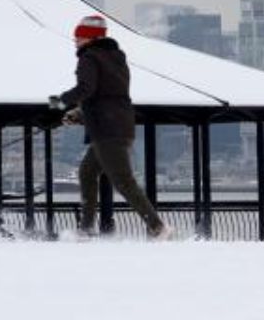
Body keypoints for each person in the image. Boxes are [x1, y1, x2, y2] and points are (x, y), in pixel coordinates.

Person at [49, 15, 172, 239]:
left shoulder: (89, 58)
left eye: (79, 37)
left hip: (107, 130)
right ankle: (85, 229)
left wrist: (61, 101)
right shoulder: (115, 58)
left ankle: (157, 227)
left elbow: (86, 88)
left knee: (124, 181)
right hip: (118, 125)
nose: (75, 41)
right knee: (87, 173)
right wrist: (79, 114)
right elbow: (108, 96)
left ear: (89, 38)